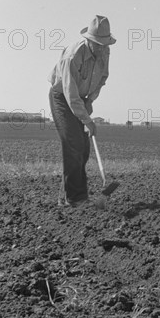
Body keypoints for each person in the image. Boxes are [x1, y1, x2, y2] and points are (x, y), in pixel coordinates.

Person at [48, 15, 116, 207]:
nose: (102, 48)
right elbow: (70, 93)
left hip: (82, 98)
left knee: (83, 149)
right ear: (89, 40)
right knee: (73, 142)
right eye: (99, 44)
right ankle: (76, 198)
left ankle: (65, 196)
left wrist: (90, 100)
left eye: (105, 44)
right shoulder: (73, 55)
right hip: (62, 97)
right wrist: (88, 120)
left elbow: (103, 78)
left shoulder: (105, 52)